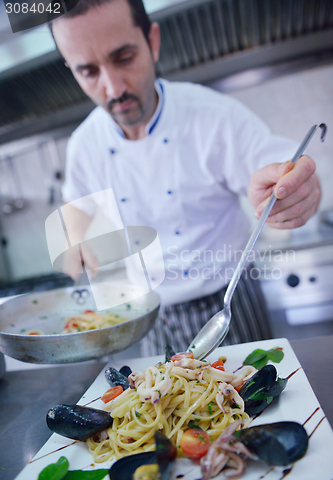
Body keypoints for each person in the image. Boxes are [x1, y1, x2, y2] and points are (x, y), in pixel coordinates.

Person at [50, 0, 321, 355]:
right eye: (88, 71)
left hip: (229, 308)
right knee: (153, 408)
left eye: (124, 58)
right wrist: (75, 244)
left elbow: (274, 164)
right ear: (71, 69)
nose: (114, 89)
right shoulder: (84, 144)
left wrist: (294, 187)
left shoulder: (212, 116)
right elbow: (76, 217)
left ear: (153, 41)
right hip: (148, 319)